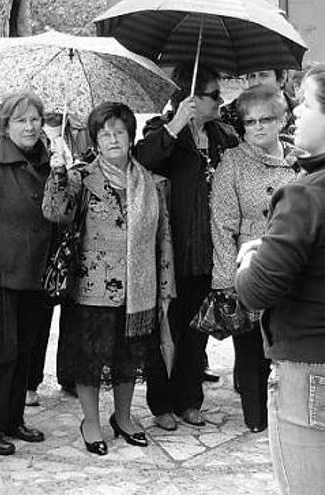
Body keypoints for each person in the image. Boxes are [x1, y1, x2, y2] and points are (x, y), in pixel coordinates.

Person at [43, 102, 176, 455]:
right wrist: (56, 173)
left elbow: (164, 239)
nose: (113, 138)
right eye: (104, 133)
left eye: (119, 131)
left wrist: (165, 288)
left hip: (139, 288)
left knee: (128, 357)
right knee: (90, 359)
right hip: (92, 288)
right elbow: (55, 213)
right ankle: (91, 421)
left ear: (131, 137)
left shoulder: (151, 183)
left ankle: (124, 417)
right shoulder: (80, 177)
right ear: (96, 140)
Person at [235, 64, 325, 495]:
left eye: (306, 103)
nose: (296, 113)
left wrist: (249, 261)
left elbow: (257, 291)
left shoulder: (305, 194)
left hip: (309, 366)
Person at [135, 62, 239, 431]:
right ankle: (162, 403)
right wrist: (177, 124)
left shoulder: (224, 135)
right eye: (213, 94)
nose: (220, 101)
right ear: (190, 95)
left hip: (209, 249)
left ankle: (189, 399)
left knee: (197, 331)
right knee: (164, 328)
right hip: (169, 250)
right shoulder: (162, 131)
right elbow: (143, 159)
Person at [0, 91, 54, 456]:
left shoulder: (47, 162)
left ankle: (14, 419)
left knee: (26, 351)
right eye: (21, 120)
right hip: (2, 276)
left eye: (34, 119)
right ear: (5, 125)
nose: (29, 126)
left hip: (37, 274)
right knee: (2, 352)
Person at [211, 85, 302, 434]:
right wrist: (224, 280)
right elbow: (221, 224)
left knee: (288, 345)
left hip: (293, 263)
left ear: (282, 119)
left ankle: (289, 415)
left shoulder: (299, 159)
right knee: (250, 349)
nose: (259, 127)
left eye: (266, 119)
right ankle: (256, 418)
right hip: (249, 265)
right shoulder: (232, 162)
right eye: (250, 122)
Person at [221, 69, 296, 141]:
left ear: (282, 77)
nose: (256, 82)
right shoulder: (229, 114)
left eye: (263, 75)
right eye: (252, 76)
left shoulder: (299, 112)